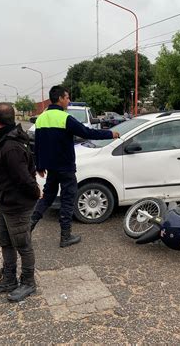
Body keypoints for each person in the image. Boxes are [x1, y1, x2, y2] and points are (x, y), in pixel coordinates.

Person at [30, 85, 120, 247]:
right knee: (67, 199)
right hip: (65, 167)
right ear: (60, 99)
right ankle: (65, 236)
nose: (69, 100)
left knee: (48, 197)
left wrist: (39, 165)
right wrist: (110, 134)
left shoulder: (41, 118)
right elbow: (87, 133)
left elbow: (38, 145)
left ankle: (28, 228)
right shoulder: (65, 118)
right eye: (67, 97)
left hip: (51, 168)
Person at [0, 102, 40, 302]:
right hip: (5, 204)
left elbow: (24, 178)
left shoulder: (11, 146)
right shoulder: (8, 139)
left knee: (23, 244)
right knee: (6, 241)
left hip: (17, 206)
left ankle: (28, 282)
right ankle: (8, 279)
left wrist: (35, 192)